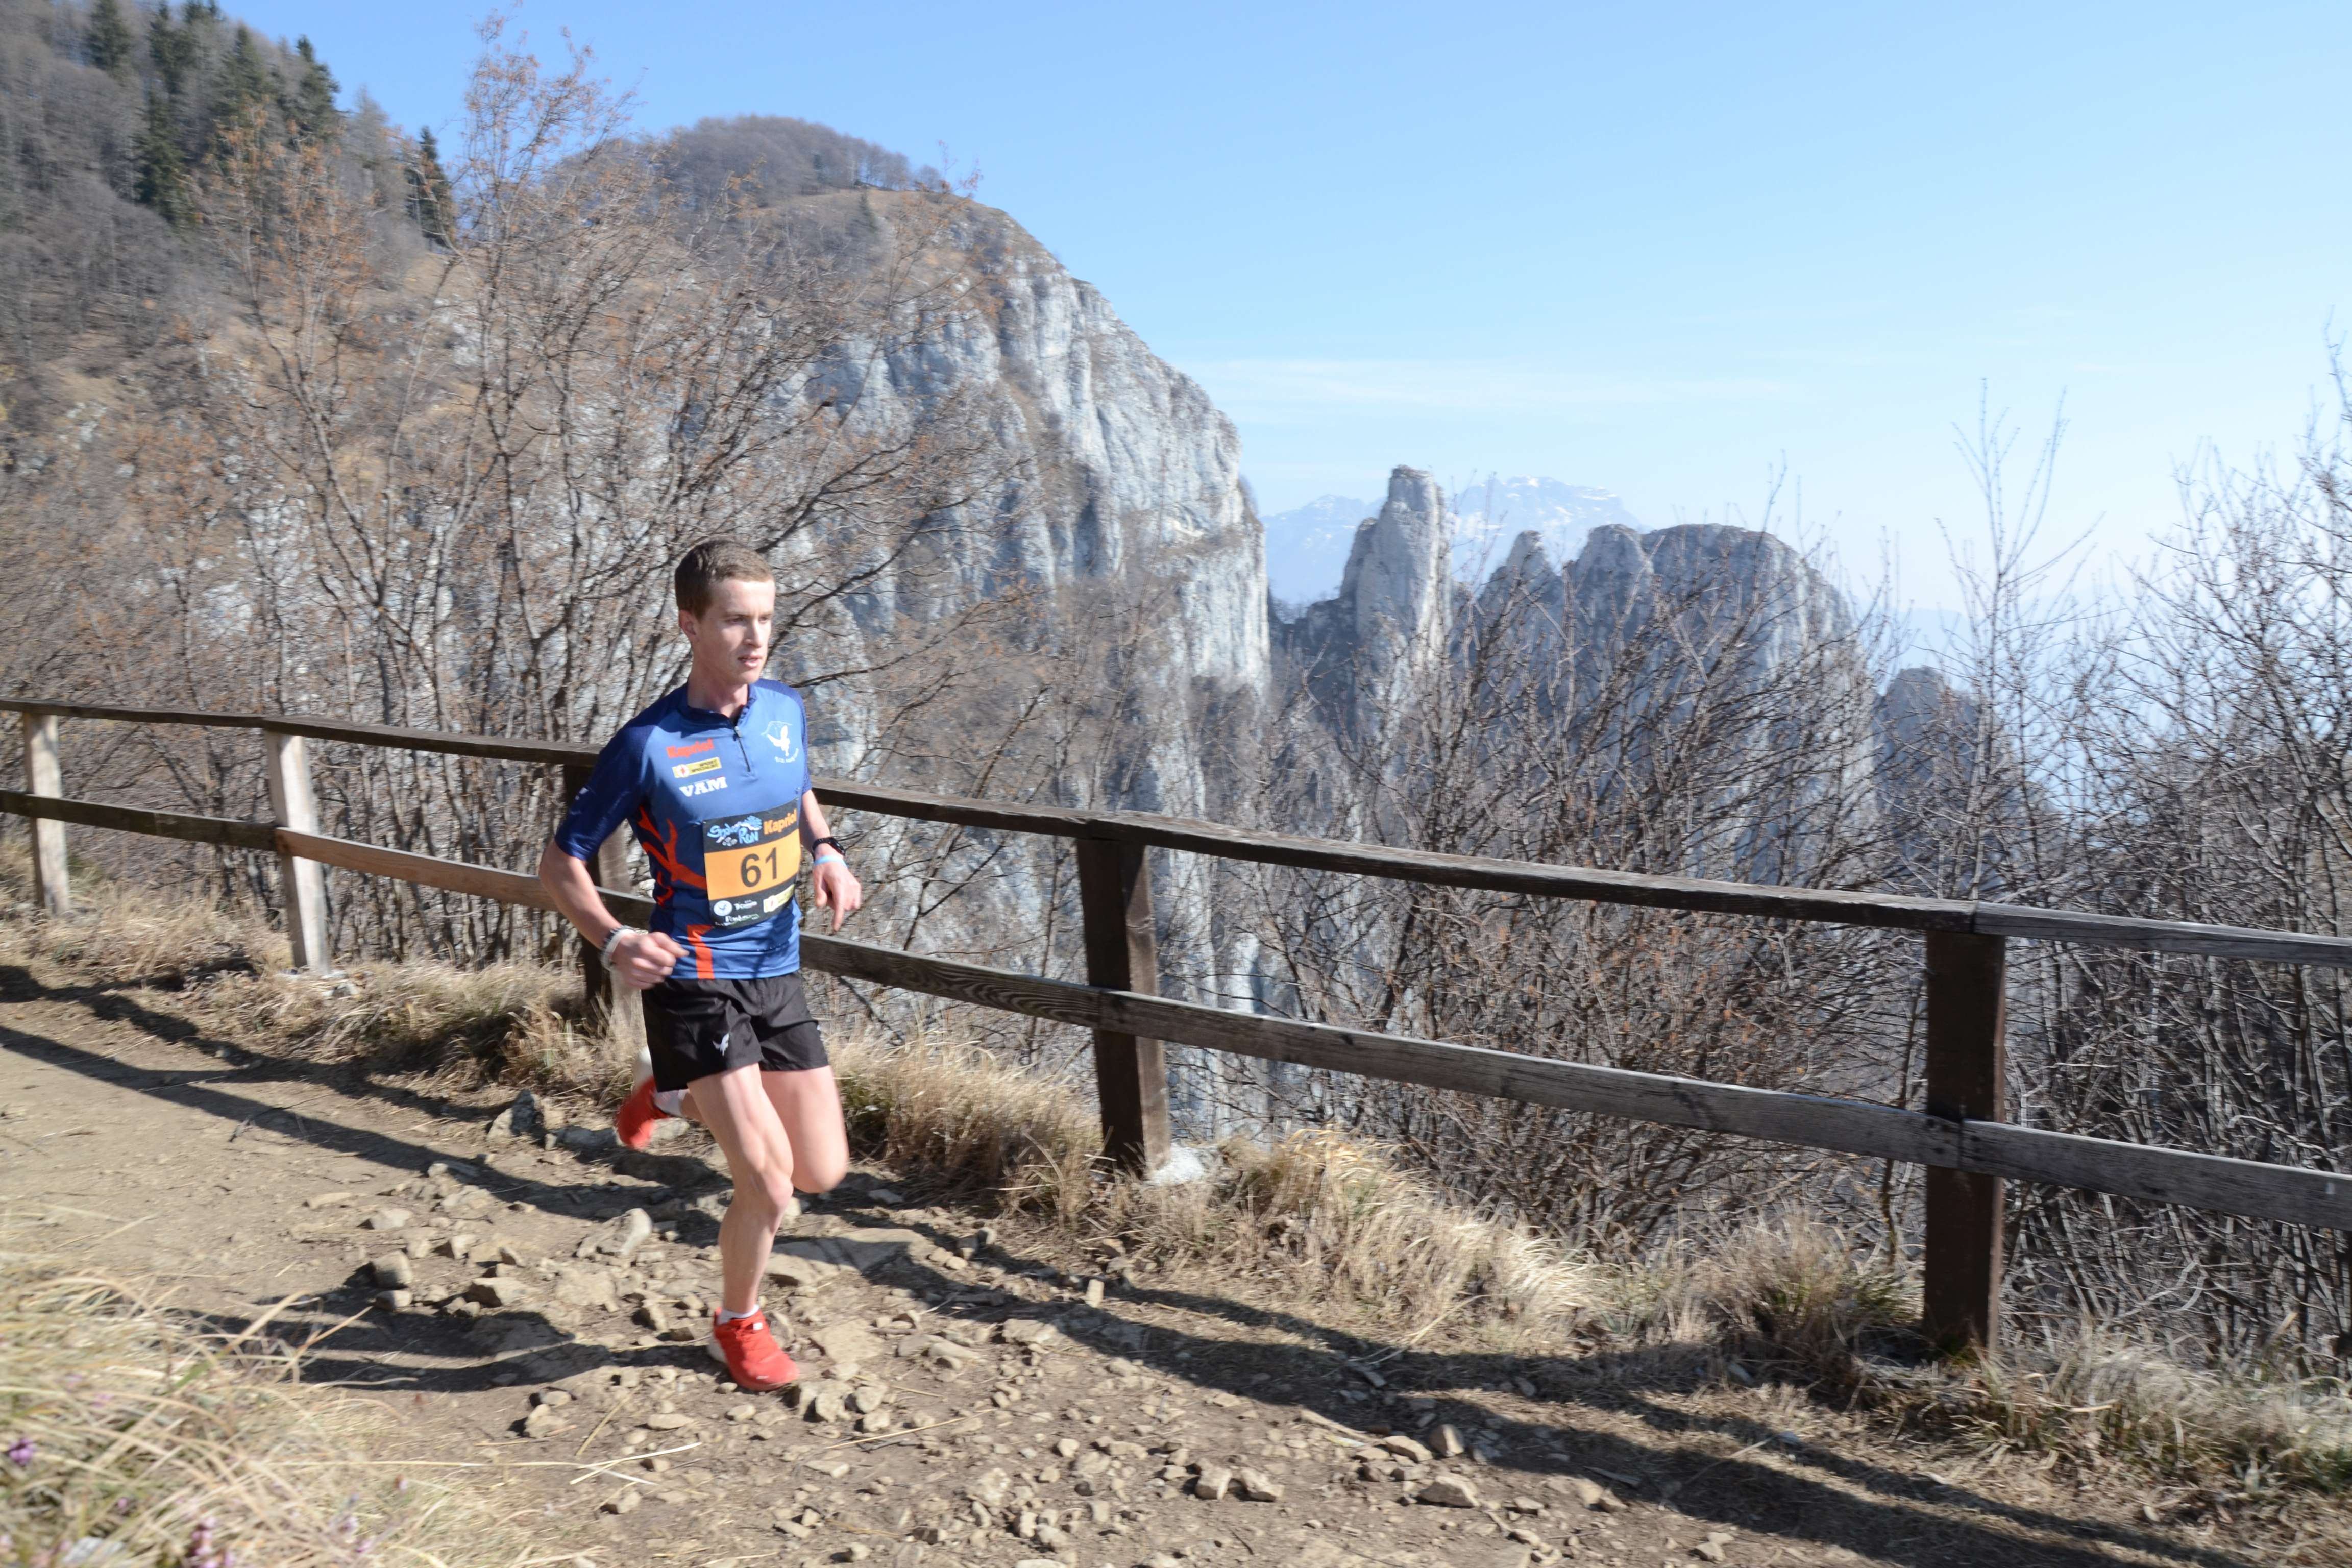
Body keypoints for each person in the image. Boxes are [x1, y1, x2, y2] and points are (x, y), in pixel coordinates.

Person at [538, 538, 861, 1393]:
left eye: (766, 619)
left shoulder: (784, 708)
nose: (756, 639)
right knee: (771, 1182)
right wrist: (613, 940)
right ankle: (736, 1322)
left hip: (775, 969)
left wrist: (825, 849)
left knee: (824, 1170)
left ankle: (675, 1093)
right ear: (691, 625)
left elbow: (792, 785)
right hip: (693, 978)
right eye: (735, 622)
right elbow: (560, 863)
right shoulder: (647, 746)